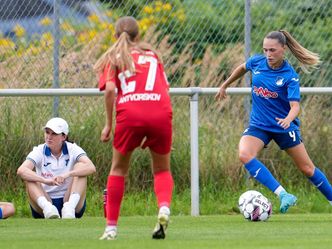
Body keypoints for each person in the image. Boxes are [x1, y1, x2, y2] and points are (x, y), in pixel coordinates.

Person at [216, 30, 332, 213]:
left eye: (273, 50)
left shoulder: (290, 76)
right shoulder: (257, 62)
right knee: (245, 154)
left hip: (283, 126)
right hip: (259, 126)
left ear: (283, 49)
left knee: (307, 169)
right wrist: (225, 84)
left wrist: (287, 120)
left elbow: (295, 106)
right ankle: (283, 195)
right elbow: (242, 67)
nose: (268, 54)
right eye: (265, 50)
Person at [94, 16, 174, 240]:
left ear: (114, 36)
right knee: (162, 169)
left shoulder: (114, 56)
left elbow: (110, 90)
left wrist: (109, 125)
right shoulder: (153, 55)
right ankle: (164, 208)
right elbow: (164, 88)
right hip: (161, 110)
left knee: (118, 169)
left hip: (130, 112)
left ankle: (111, 229)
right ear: (139, 36)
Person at [17, 117, 96, 219]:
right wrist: (45, 180)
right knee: (29, 175)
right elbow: (21, 170)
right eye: (47, 132)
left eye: (54, 133)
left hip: (69, 200)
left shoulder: (73, 148)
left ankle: (69, 208)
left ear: (63, 136)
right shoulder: (39, 150)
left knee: (80, 167)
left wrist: (67, 174)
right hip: (45, 202)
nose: (49, 137)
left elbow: (91, 167)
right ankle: (48, 208)